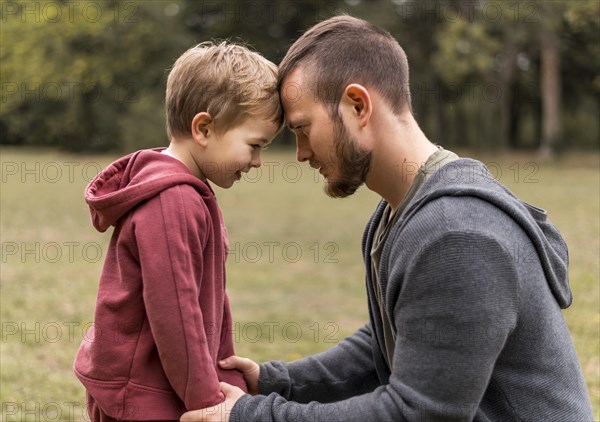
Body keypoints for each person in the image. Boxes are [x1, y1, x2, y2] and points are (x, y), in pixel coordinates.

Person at [180, 15, 594, 422]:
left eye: (303, 129)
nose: (301, 153)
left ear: (358, 105)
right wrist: (277, 381)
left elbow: (420, 413)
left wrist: (253, 415)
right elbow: (386, 342)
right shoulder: (402, 210)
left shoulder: (457, 233)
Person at [73, 41, 284, 421]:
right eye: (254, 146)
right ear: (203, 128)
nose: (257, 162)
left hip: (164, 385)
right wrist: (206, 401)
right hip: (142, 394)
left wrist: (221, 369)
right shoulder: (174, 200)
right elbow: (175, 312)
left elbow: (204, 294)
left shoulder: (186, 191)